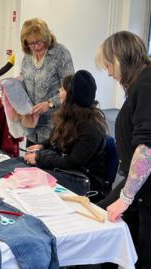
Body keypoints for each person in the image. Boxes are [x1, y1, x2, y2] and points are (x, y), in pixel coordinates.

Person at [96, 31, 151, 268]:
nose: (108, 73)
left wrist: (125, 198)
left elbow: (149, 146)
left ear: (118, 59)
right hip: (150, 189)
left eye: (108, 65)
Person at [24, 70, 109, 200]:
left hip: (84, 182)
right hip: (70, 172)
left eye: (62, 89)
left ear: (70, 96)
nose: (59, 90)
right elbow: (57, 139)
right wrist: (42, 145)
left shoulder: (91, 128)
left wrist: (39, 158)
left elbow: (72, 162)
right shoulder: (69, 116)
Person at [20, 18, 74, 145]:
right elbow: (24, 80)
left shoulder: (61, 54)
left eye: (39, 42)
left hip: (54, 125)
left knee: (48, 162)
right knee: (30, 161)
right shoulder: (27, 57)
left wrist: (49, 103)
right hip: (32, 125)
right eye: (31, 43)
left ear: (46, 37)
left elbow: (70, 87)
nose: (36, 46)